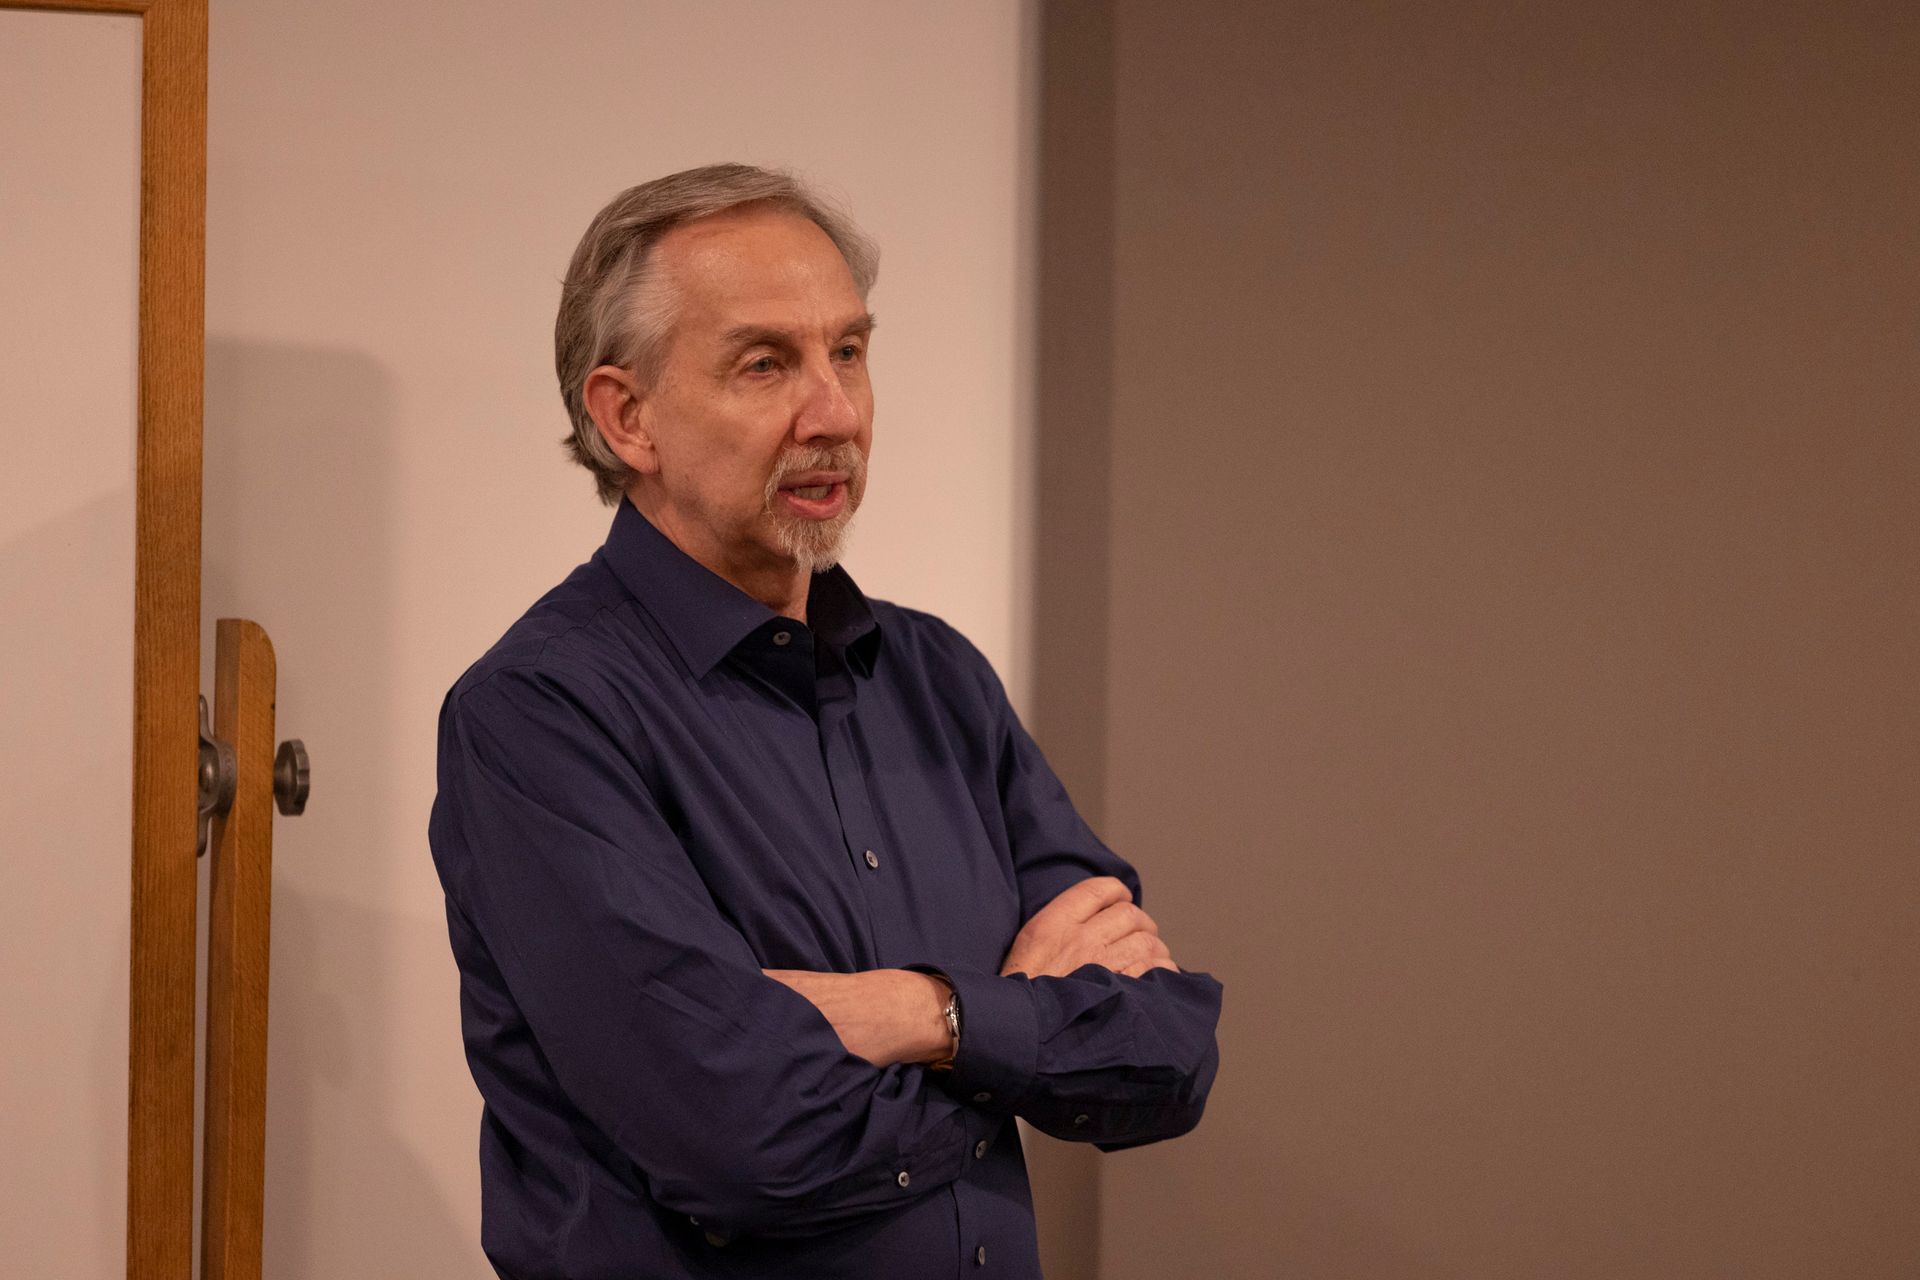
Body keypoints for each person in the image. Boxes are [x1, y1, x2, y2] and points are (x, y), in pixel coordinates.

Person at [428, 163, 1222, 1279]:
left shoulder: (938, 678)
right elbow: (746, 1143)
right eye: (765, 363)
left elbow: (1168, 1056)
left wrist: (918, 1014)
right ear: (627, 416)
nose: (836, 414)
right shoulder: (540, 714)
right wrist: (1013, 1037)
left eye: (848, 351)